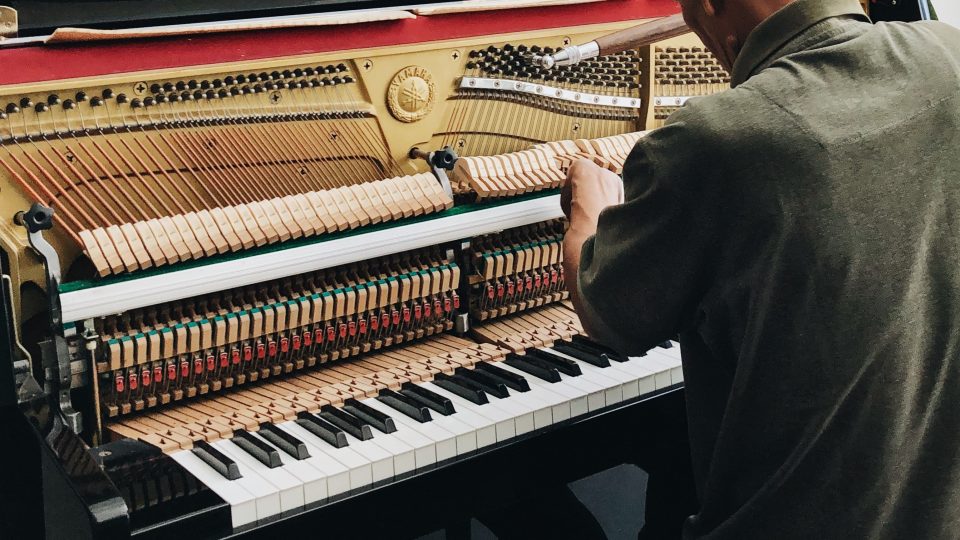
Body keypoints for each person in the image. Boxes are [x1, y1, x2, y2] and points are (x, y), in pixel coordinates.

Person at [561, 0, 960, 537]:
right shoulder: (950, 53)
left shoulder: (712, 139)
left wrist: (590, 208)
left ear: (708, 8)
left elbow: (610, 317)